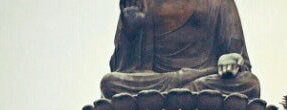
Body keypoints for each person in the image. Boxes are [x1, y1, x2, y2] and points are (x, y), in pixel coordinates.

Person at [102, 0, 261, 99]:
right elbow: (120, 68)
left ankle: (173, 95)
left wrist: (231, 59)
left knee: (249, 83)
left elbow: (239, 59)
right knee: (109, 83)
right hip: (156, 82)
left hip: (205, 78)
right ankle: (181, 94)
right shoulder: (141, 3)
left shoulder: (220, 2)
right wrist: (130, 32)